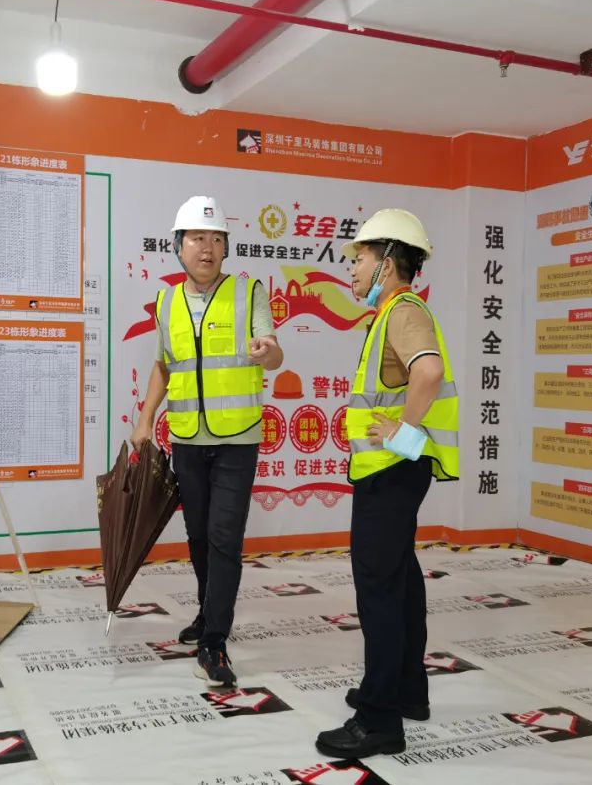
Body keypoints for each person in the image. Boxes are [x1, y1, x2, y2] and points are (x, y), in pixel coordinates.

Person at [315, 209, 459, 759]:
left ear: (388, 261)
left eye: (360, 258)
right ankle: (406, 691)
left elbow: (429, 371)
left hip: (390, 471)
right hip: (395, 470)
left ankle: (378, 720)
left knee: (378, 589)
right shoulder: (391, 313)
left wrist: (405, 430)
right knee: (400, 581)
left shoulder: (403, 311)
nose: (352, 268)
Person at [131, 196, 283, 688]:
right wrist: (145, 418)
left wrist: (268, 351)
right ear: (178, 246)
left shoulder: (248, 292)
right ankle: (206, 611)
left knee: (224, 537)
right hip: (187, 440)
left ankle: (215, 641)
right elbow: (164, 365)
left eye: (217, 239)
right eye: (198, 238)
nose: (208, 248)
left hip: (238, 439)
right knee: (198, 536)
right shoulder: (167, 302)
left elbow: (274, 352)